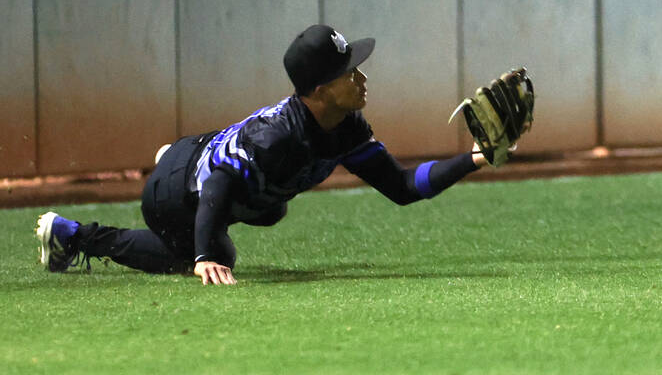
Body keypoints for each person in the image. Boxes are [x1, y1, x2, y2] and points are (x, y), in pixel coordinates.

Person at [36, 24, 517, 284]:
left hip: (210, 159)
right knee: (218, 253)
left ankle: (175, 159)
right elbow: (218, 185)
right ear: (321, 89)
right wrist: (204, 252)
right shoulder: (278, 137)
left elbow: (405, 188)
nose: (362, 78)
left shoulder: (346, 127)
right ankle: (75, 235)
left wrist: (476, 156)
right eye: (351, 72)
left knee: (273, 208)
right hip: (180, 193)